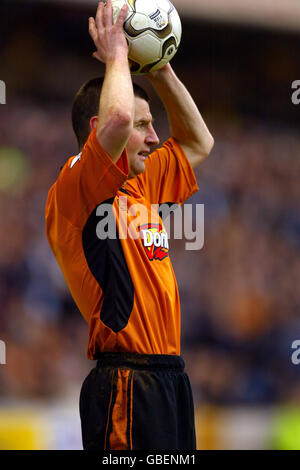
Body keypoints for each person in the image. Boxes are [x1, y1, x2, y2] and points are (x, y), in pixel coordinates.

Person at [45, 0, 214, 450]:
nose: (156, 138)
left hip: (168, 379)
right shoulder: (76, 187)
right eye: (145, 126)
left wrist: (159, 68)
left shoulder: (141, 183)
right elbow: (117, 117)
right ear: (101, 131)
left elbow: (200, 142)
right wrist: (120, 53)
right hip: (125, 381)